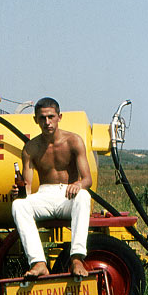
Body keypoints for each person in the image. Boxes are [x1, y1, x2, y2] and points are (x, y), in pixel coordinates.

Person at [11, 97, 92, 279]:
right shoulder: (31, 148)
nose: (47, 122)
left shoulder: (74, 141)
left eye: (51, 117)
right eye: (42, 118)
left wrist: (78, 184)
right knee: (19, 205)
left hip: (68, 195)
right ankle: (39, 263)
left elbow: (87, 179)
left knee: (84, 196)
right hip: (45, 194)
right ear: (35, 120)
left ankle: (77, 258)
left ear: (59, 117)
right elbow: (28, 187)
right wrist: (19, 193)